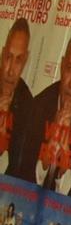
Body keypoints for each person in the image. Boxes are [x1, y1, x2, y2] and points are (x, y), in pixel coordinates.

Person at [15, 26, 71, 198]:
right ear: (61, 65)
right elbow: (19, 178)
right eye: (69, 68)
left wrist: (63, 167)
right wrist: (45, 162)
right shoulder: (36, 106)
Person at [0, 19, 32, 176]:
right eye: (8, 57)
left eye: (18, 60)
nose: (11, 70)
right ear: (2, 53)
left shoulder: (28, 105)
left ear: (25, 60)